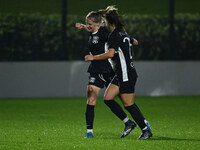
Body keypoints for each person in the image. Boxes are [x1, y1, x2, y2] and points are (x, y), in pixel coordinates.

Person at [85, 6, 152, 139]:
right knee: (108, 98)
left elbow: (110, 54)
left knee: (128, 104)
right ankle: (129, 123)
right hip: (121, 73)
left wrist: (94, 57)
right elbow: (136, 42)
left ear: (108, 22)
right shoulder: (123, 33)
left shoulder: (114, 35)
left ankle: (145, 129)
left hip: (127, 74)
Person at [75, 8, 136, 138]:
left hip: (108, 70)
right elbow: (91, 30)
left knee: (125, 101)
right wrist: (84, 27)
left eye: (90, 24)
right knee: (91, 99)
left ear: (98, 24)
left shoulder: (105, 33)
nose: (88, 26)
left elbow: (119, 37)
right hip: (95, 71)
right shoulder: (94, 31)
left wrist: (131, 40)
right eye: (87, 23)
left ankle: (137, 122)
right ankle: (89, 132)